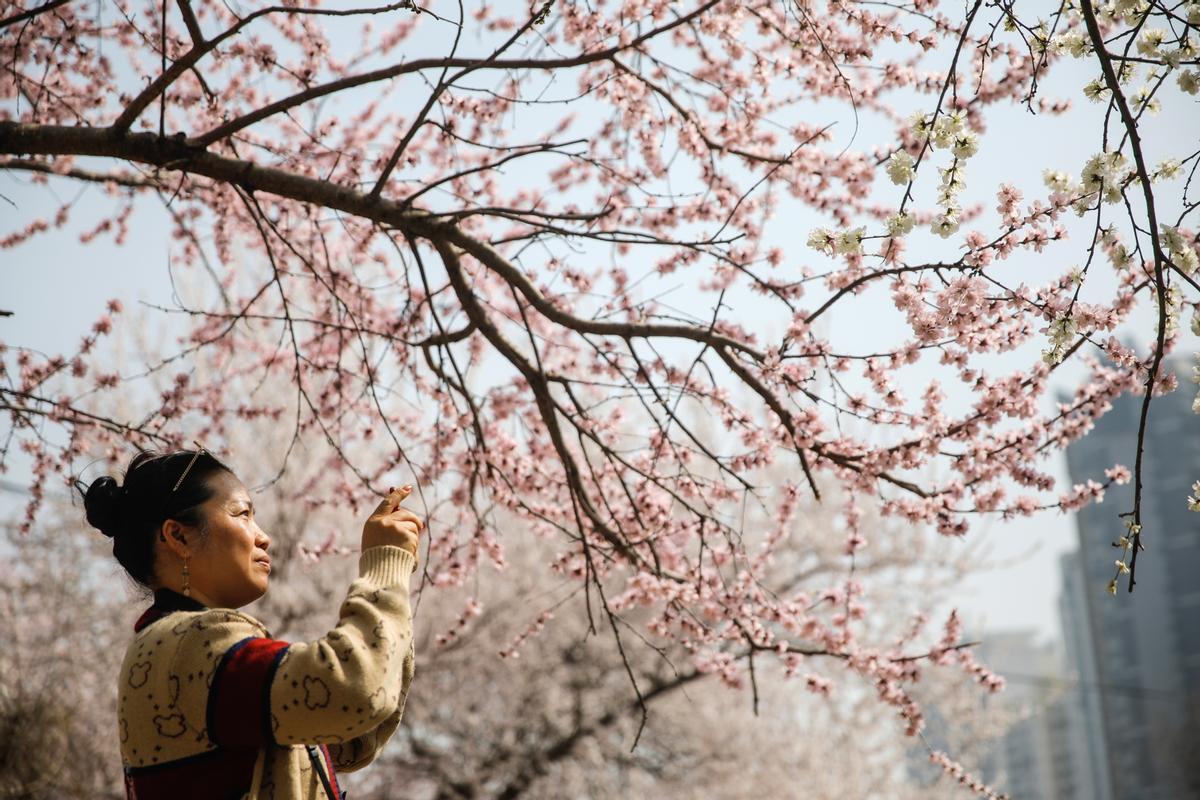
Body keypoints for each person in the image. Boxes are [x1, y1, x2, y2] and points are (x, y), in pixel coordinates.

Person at [78, 447, 423, 799]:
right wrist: (384, 564)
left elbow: (352, 734)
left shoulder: (178, 642)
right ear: (179, 536)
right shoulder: (186, 645)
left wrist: (394, 578)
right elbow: (352, 690)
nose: (263, 536)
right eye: (242, 514)